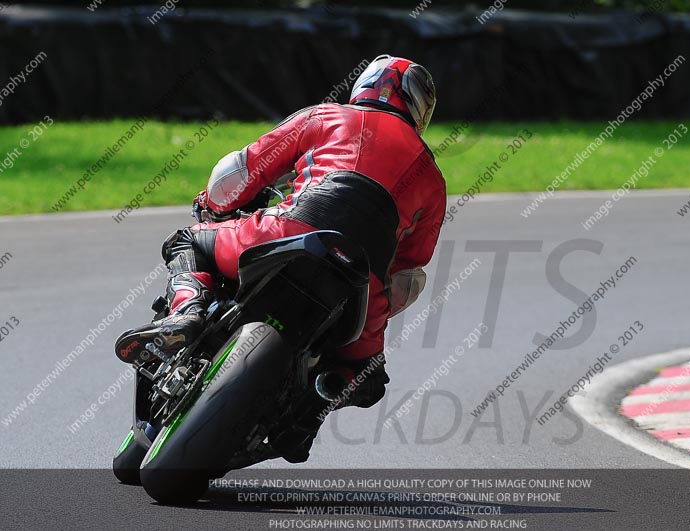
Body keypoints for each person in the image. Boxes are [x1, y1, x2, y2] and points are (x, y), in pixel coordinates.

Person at [114, 55, 446, 461]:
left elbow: (244, 169)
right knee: (363, 373)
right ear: (417, 107)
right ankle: (312, 410)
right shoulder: (432, 176)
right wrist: (378, 305)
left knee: (188, 242)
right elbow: (409, 272)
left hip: (284, 232)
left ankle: (187, 313)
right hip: (362, 282)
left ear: (365, 86)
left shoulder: (326, 116)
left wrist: (213, 207)